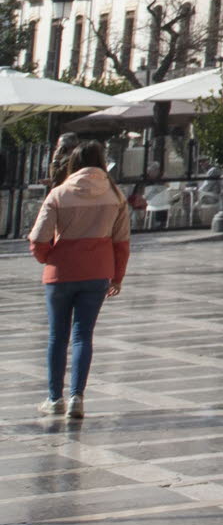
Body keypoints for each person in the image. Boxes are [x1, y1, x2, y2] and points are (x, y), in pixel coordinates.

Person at [29, 138, 129, 423]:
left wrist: (47, 257)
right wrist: (117, 276)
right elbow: (122, 242)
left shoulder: (59, 194)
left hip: (60, 273)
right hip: (97, 273)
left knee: (57, 336)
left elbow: (38, 238)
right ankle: (77, 397)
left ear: (74, 162)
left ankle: (54, 398)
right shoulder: (115, 196)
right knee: (84, 335)